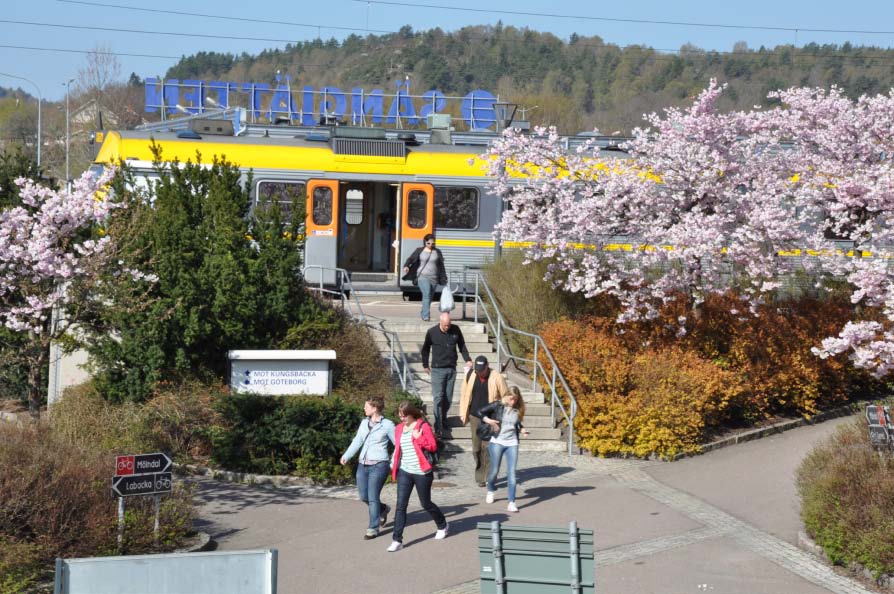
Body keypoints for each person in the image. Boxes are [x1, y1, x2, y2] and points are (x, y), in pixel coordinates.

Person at [386, 401, 449, 552]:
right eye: (400, 416)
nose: (402, 419)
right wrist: (392, 464)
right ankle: (397, 540)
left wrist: (418, 437)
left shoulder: (423, 426)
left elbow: (433, 446)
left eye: (404, 416)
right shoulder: (399, 428)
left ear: (412, 414)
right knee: (401, 505)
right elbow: (398, 448)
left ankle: (442, 525)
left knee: (425, 503)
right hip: (405, 471)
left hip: (422, 472)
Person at [340, 397, 396, 540]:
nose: (364, 409)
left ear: (375, 408)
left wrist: (392, 462)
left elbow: (399, 445)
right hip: (362, 464)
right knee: (363, 496)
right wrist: (347, 455)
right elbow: (357, 440)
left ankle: (373, 528)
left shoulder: (388, 425)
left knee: (372, 497)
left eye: (367, 406)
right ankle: (383, 509)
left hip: (379, 465)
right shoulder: (364, 423)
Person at [475, 386, 529, 513]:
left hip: (512, 443)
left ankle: (511, 502)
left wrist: (522, 430)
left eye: (515, 400)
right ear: (506, 396)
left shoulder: (518, 409)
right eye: (511, 399)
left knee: (512, 473)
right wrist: (489, 421)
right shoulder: (497, 405)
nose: (513, 402)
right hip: (497, 442)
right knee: (494, 470)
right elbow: (479, 412)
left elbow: (516, 423)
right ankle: (491, 488)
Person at [458, 355, 509, 487]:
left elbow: (506, 396)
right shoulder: (471, 374)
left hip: (490, 417)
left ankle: (488, 476)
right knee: (476, 448)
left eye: (482, 369)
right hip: (475, 415)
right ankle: (481, 475)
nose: (479, 372)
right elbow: (464, 394)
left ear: (487, 366)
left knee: (488, 447)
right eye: (477, 369)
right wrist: (463, 412)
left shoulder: (497, 377)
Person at [421, 312, 472, 438]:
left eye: (448, 325)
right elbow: (425, 349)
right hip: (437, 370)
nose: (447, 328)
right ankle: (438, 426)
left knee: (448, 399)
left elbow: (462, 345)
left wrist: (468, 359)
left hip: (451, 369)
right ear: (440, 322)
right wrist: (425, 364)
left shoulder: (455, 330)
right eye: (444, 326)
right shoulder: (432, 332)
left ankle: (443, 419)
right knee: (438, 397)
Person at [402, 233, 447, 322]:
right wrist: (406, 266)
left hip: (434, 278)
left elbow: (441, 266)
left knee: (430, 296)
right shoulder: (419, 250)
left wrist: (443, 277)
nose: (431, 245)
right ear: (425, 242)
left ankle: (423, 312)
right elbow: (410, 259)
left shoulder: (437, 252)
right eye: (428, 243)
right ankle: (426, 316)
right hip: (422, 276)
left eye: (433, 243)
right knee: (426, 294)